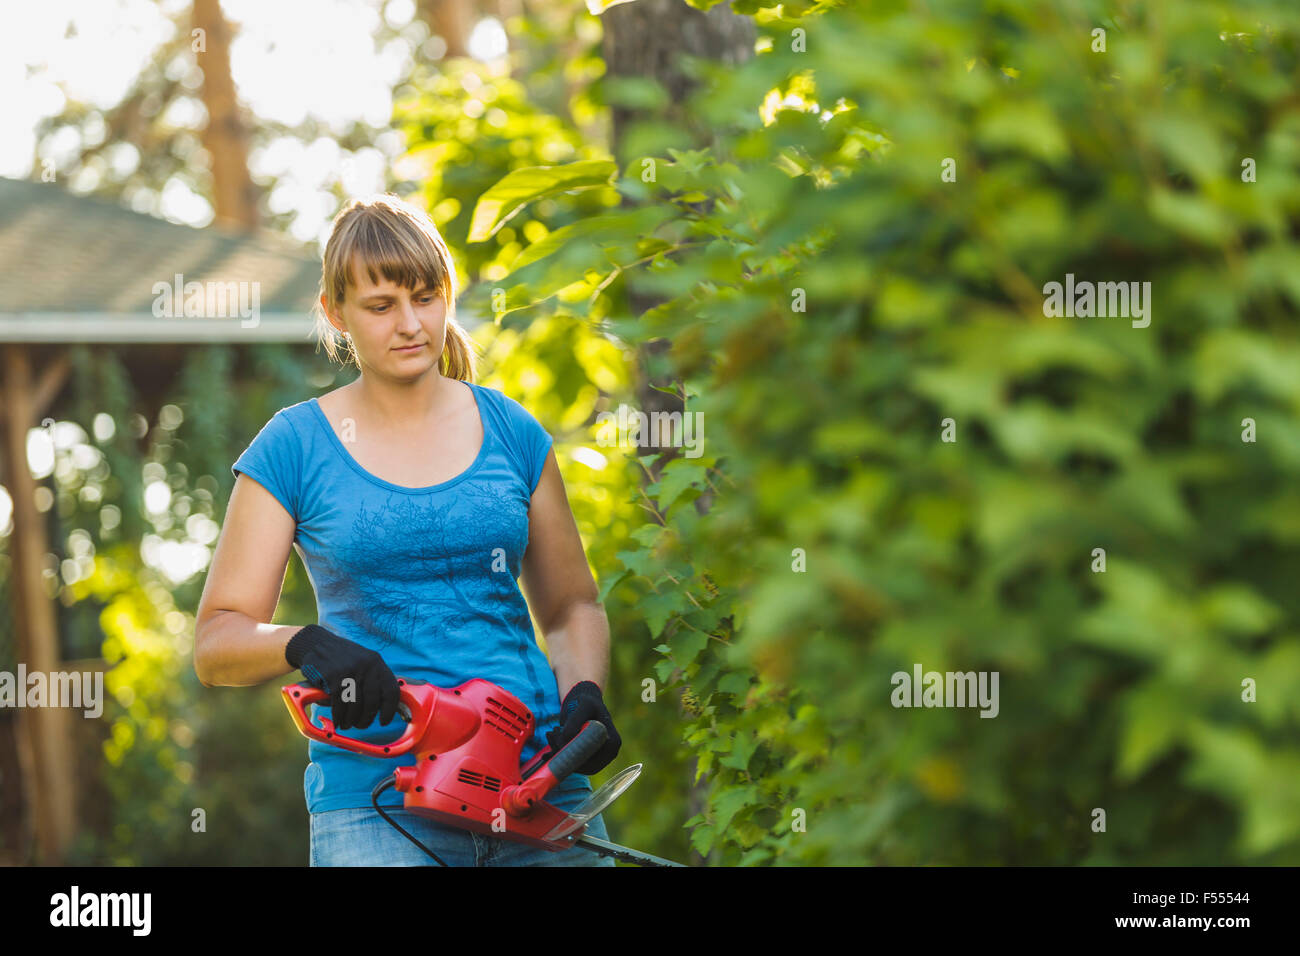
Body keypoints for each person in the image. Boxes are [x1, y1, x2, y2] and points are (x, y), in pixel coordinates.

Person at [194, 194, 621, 866]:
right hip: (375, 804)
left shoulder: (513, 432)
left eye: (425, 297)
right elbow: (217, 640)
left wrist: (586, 695)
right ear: (336, 313)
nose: (410, 323)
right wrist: (307, 643)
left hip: (533, 786)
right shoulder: (293, 447)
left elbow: (571, 607)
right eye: (381, 304)